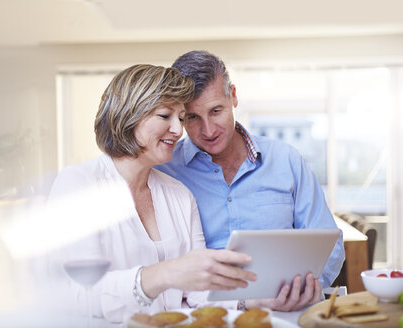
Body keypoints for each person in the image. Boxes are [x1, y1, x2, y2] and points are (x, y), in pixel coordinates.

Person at [47, 64, 257, 323]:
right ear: (129, 115)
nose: (178, 130)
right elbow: (81, 293)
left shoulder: (179, 194)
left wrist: (254, 299)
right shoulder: (78, 184)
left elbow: (198, 291)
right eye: (165, 115)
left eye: (181, 118)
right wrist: (163, 274)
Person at [155, 50, 346, 311]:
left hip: (287, 313)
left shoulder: (286, 160)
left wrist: (304, 289)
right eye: (192, 117)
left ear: (233, 96)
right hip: (208, 316)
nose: (208, 130)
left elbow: (329, 241)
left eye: (216, 111)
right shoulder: (165, 170)